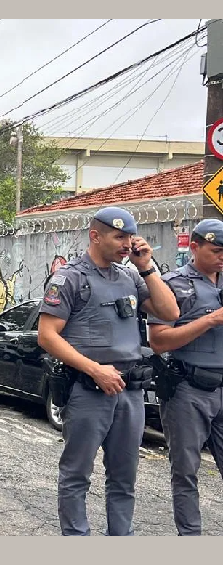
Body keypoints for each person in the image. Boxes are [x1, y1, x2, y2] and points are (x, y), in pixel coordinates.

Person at [37, 206, 179, 536]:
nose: (127, 243)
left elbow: (169, 311)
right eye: (119, 237)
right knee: (76, 474)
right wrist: (94, 369)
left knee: (124, 478)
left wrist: (146, 267)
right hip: (88, 390)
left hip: (129, 392)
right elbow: (47, 335)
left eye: (130, 236)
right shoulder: (70, 278)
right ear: (95, 236)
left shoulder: (130, 276)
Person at [147, 219, 223, 536]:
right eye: (217, 250)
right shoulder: (173, 285)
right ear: (194, 247)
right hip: (188, 389)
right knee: (186, 471)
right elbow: (159, 340)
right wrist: (210, 321)